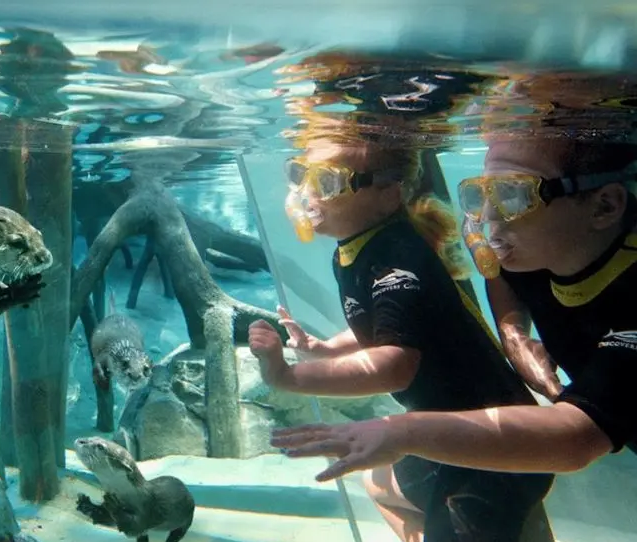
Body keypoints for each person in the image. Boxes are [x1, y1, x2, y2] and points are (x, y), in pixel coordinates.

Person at [247, 132, 554, 542]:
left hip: (491, 448)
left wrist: (288, 375)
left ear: (388, 193)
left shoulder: (397, 258)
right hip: (440, 440)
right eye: (301, 175)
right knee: (377, 486)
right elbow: (388, 327)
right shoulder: (355, 249)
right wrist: (328, 348)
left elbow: (394, 363)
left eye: (328, 182)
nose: (307, 194)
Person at [269, 134, 637, 480]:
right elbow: (498, 269)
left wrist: (400, 432)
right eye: (482, 195)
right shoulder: (535, 244)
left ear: (605, 205)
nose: (487, 218)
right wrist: (513, 333)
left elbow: (576, 439)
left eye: (514, 194)